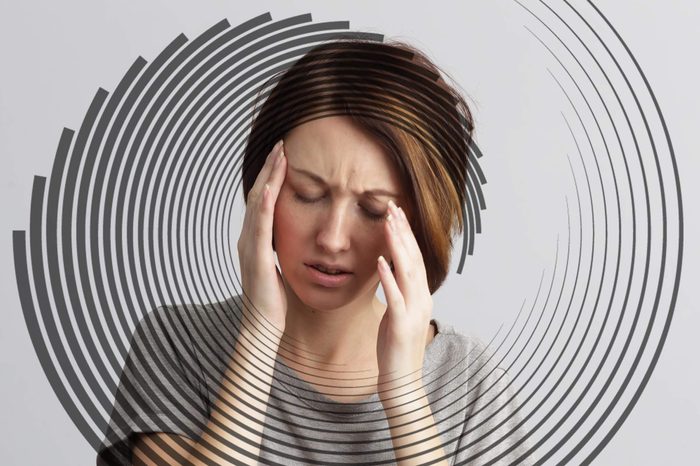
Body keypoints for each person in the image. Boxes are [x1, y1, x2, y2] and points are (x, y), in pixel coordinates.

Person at [97, 39, 532, 465]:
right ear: (262, 185)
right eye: (307, 194)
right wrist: (258, 337)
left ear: (420, 222)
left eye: (373, 209)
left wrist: (404, 396)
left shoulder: (466, 378)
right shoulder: (179, 346)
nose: (332, 238)